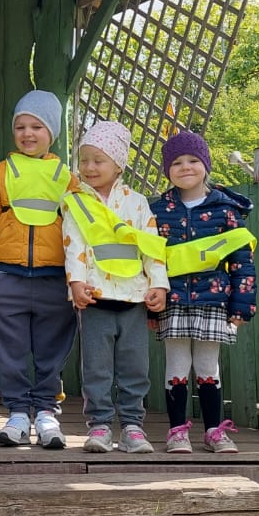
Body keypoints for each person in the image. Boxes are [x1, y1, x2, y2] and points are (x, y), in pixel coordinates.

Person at [0, 91, 79, 449]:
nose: (28, 133)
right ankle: (17, 413)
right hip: (7, 280)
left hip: (55, 282)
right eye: (20, 126)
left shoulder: (67, 178)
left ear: (52, 133)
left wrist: (76, 278)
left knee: (52, 351)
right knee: (10, 353)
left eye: (37, 126)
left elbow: (81, 231)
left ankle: (46, 412)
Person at [62, 121, 170, 454]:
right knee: (96, 367)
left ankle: (133, 427)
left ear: (118, 164)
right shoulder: (76, 202)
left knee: (135, 366)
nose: (90, 167)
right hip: (96, 299)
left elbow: (151, 246)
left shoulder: (137, 203)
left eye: (99, 160)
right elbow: (73, 245)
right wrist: (76, 282)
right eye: (84, 160)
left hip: (134, 299)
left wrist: (159, 284)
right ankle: (100, 425)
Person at [150, 130, 258, 454]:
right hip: (172, 302)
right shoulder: (158, 212)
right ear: (167, 170)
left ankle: (214, 431)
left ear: (206, 165)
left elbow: (242, 263)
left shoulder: (227, 211)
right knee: (176, 367)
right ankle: (177, 432)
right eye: (177, 162)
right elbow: (149, 262)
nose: (185, 167)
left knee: (209, 368)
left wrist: (241, 308)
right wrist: (149, 307)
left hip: (214, 302)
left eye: (193, 160)